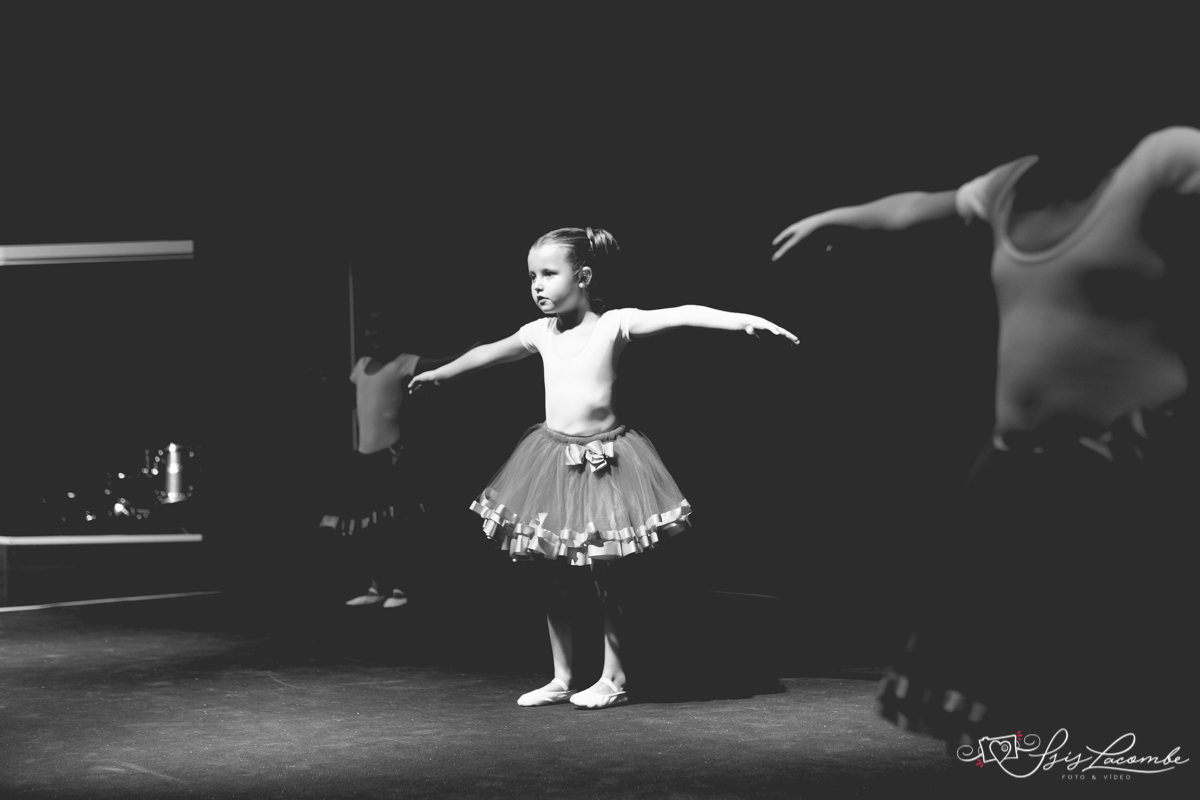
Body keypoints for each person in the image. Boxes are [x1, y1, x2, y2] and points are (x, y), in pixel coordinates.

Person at [772, 125, 1199, 746]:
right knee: (997, 667)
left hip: (1129, 462)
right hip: (1018, 465)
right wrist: (840, 217)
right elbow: (917, 207)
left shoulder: (1161, 161)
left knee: (1115, 653)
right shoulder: (1011, 185)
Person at [409, 226, 798, 708]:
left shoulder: (614, 324)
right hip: (551, 462)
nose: (537, 285)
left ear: (584, 276)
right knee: (551, 573)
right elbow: (489, 353)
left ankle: (614, 679)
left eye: (549, 273)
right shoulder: (539, 333)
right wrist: (442, 374)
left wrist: (742, 321)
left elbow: (681, 314)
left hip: (606, 464)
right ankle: (562, 676)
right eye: (531, 276)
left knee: (608, 576)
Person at [320, 314, 473, 609]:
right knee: (370, 525)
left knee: (397, 525)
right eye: (370, 329)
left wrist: (471, 351)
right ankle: (375, 585)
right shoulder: (361, 366)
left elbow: (439, 363)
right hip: (365, 459)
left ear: (392, 333)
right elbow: (353, 399)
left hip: (392, 458)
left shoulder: (403, 362)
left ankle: (401, 587)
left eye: (380, 329)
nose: (374, 334)